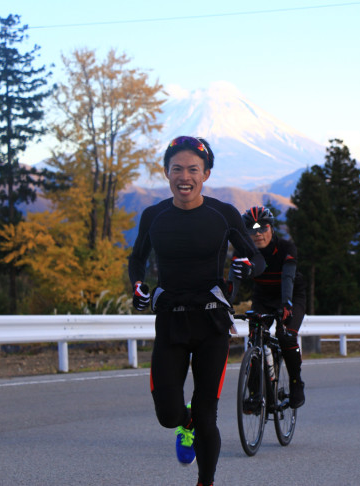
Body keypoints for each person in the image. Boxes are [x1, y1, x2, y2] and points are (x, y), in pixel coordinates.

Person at [128, 136, 265, 486]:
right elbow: (137, 259)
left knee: (207, 416)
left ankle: (206, 482)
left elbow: (257, 259)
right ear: (165, 172)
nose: (184, 176)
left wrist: (247, 266)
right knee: (167, 414)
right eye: (177, 169)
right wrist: (138, 286)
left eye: (193, 169)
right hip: (171, 320)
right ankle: (183, 425)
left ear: (206, 174)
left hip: (211, 325)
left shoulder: (223, 214)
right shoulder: (154, 215)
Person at [235, 206, 307, 408]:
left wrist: (286, 304)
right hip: (263, 297)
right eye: (251, 230)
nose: (257, 234)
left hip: (291, 294)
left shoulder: (286, 248)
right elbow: (235, 279)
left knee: (286, 336)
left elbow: (288, 276)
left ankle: (296, 383)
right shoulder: (246, 252)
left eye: (262, 228)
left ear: (271, 229)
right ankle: (254, 393)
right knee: (254, 340)